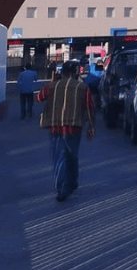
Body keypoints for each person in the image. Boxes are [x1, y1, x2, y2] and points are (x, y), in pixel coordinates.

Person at [36, 60, 96, 202]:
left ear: (62, 72)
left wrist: (53, 82)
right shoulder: (82, 87)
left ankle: (62, 188)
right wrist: (91, 127)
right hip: (74, 128)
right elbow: (89, 108)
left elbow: (39, 98)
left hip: (55, 127)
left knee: (59, 157)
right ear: (75, 73)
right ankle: (72, 182)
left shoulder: (51, 86)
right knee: (72, 156)